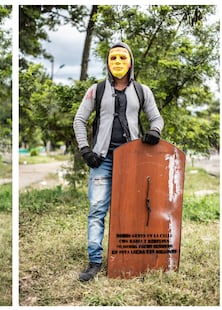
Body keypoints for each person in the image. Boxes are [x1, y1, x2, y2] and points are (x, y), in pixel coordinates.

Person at [73, 42, 164, 282]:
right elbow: (79, 119)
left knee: (134, 209)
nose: (118, 63)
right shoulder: (97, 90)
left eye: (123, 58)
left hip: (132, 161)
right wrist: (85, 150)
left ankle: (130, 257)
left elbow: (156, 117)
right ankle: (94, 261)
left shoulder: (142, 91)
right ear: (107, 63)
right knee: (96, 210)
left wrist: (155, 131)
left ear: (131, 62)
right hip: (101, 159)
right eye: (113, 58)